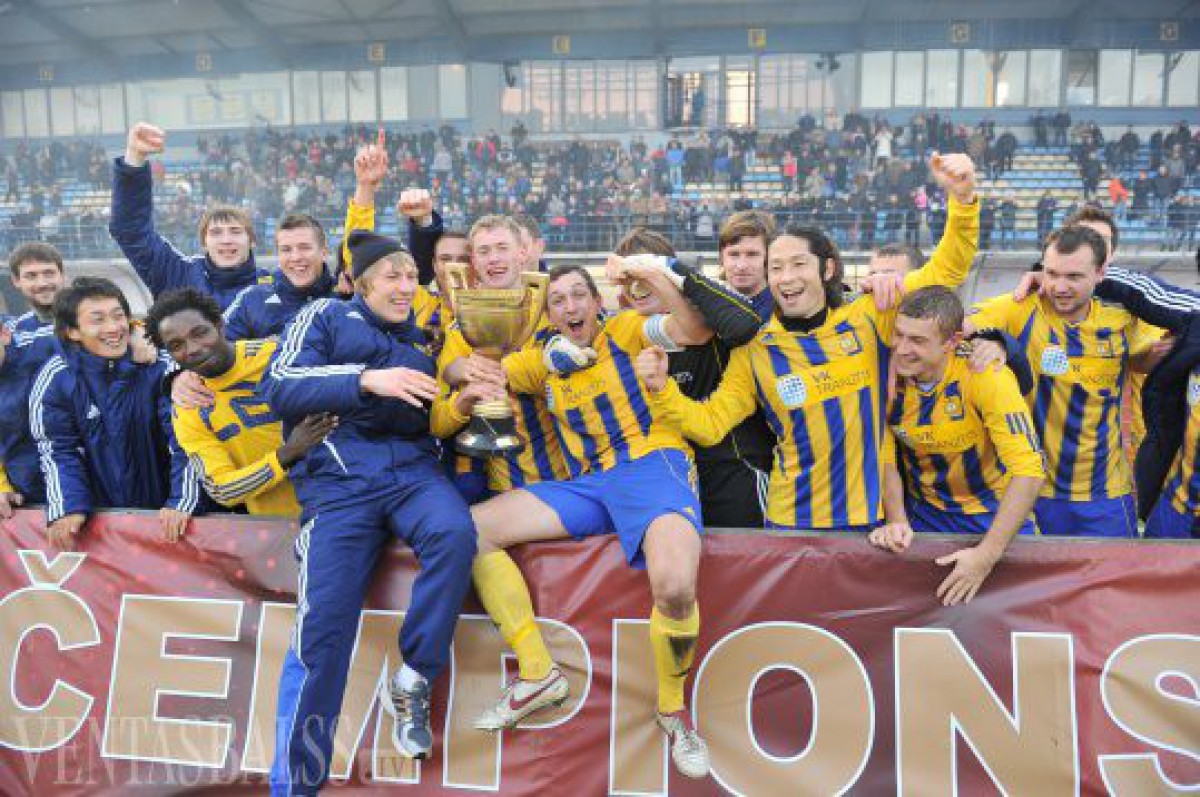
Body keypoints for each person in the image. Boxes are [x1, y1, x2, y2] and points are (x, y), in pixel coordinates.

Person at [639, 153, 981, 532]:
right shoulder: (756, 349)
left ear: (827, 268)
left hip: (868, 523)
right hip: (790, 524)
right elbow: (710, 424)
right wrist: (661, 389)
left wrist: (963, 201)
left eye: (798, 264)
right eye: (776, 268)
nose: (786, 277)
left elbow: (947, 271)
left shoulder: (870, 314)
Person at [465, 265, 712, 780]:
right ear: (548, 315)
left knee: (674, 586)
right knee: (470, 530)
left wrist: (650, 273)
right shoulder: (542, 361)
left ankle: (673, 711)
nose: (571, 306)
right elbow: (474, 370)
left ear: (598, 302)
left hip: (651, 464)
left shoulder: (625, 330)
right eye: (558, 300)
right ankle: (538, 673)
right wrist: (531, 360)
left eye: (580, 295)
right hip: (590, 484)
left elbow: (694, 328)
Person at [261, 230, 477, 790]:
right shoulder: (325, 316)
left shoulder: (425, 340)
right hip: (340, 486)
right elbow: (278, 384)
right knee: (321, 639)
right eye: (392, 276)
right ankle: (295, 786)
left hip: (412, 475)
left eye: (412, 277)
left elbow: (441, 413)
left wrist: (456, 384)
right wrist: (364, 380)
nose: (405, 287)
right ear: (360, 284)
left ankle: (415, 676)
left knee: (455, 534)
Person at [969, 227, 1168, 537]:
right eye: (1052, 274)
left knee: (1114, 569)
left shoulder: (1124, 316)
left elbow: (1146, 355)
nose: (1060, 287)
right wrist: (992, 339)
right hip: (1033, 491)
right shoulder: (1021, 307)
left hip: (1106, 494)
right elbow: (952, 326)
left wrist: (1160, 355)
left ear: (1101, 274)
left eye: (1073, 277)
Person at [869, 287, 1045, 605]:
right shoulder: (885, 376)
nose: (902, 349)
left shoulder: (987, 375)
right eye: (899, 335)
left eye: (917, 340)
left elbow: (1030, 472)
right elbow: (885, 456)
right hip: (925, 515)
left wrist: (986, 557)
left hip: (991, 515)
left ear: (952, 342)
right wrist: (896, 520)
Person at [29, 277, 202, 550]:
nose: (113, 327)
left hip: (167, 520)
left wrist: (182, 501)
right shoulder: (56, 379)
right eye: (97, 320)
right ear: (72, 331)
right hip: (102, 530)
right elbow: (58, 451)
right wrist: (67, 507)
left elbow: (187, 440)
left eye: (119, 316)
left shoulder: (159, 367)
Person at [146, 289, 336, 517]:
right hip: (278, 525)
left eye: (199, 333)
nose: (193, 348)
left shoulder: (277, 354)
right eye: (177, 345)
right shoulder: (188, 408)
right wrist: (286, 454)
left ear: (219, 325)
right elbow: (221, 489)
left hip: (344, 505)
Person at [434, 215, 570, 499]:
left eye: (502, 248)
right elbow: (438, 423)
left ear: (522, 253)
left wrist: (506, 369)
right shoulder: (461, 328)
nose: (493, 258)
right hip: (492, 481)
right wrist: (463, 398)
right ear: (474, 261)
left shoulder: (556, 311)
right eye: (484, 251)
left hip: (560, 473)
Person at [222, 139, 387, 340]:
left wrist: (365, 186)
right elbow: (213, 346)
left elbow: (358, 245)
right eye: (286, 249)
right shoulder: (253, 298)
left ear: (324, 252)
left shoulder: (348, 296)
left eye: (304, 247)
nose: (296, 257)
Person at [110, 123, 272, 309]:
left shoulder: (275, 286)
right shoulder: (178, 275)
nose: (226, 240)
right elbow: (131, 230)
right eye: (216, 233)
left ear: (252, 240)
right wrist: (134, 158)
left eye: (235, 231)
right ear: (204, 242)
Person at [0, 242, 66, 516]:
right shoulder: (12, 334)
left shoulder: (91, 322)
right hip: (26, 480)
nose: (42, 282)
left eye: (49, 273)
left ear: (62, 274)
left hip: (87, 469)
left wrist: (137, 330)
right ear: (16, 282)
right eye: (31, 275)